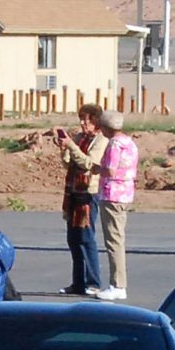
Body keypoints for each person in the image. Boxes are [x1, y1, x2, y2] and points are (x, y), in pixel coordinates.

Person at [54, 112, 109, 296]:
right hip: (73, 192)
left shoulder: (101, 141)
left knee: (86, 238)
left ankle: (93, 282)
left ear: (96, 122)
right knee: (73, 239)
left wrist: (72, 146)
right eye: (82, 119)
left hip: (87, 193)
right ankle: (77, 283)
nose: (83, 123)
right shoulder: (80, 137)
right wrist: (64, 148)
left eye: (87, 120)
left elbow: (87, 164)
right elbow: (68, 163)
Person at [93, 108, 138, 301]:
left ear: (105, 128)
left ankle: (118, 284)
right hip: (125, 194)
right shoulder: (130, 142)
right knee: (117, 238)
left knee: (114, 241)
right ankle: (117, 283)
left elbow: (110, 171)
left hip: (113, 194)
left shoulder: (114, 144)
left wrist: (96, 169)